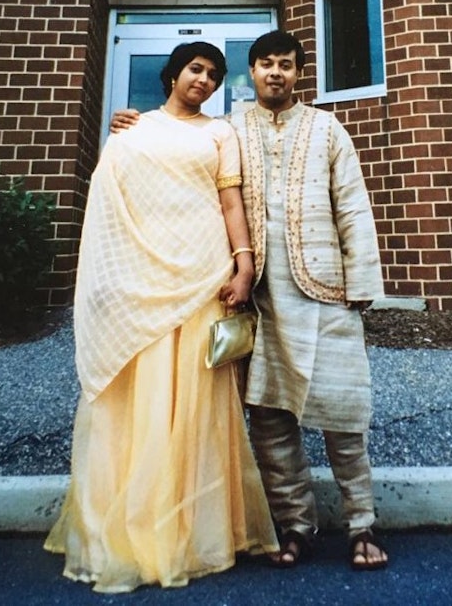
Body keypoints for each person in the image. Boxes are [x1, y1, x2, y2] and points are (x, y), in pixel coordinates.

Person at [110, 30, 388, 571]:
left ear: (299, 73)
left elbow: (352, 206)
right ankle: (297, 526)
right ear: (252, 72)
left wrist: (362, 285)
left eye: (286, 64)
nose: (275, 73)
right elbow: (178, 144)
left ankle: (362, 524)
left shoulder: (327, 128)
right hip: (258, 299)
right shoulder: (228, 128)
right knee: (269, 419)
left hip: (327, 291)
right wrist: (136, 122)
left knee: (345, 415)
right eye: (265, 64)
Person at [44, 41, 279, 593]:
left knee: (196, 403)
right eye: (196, 69)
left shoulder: (221, 133)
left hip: (203, 276)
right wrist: (110, 279)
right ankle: (129, 530)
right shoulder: (133, 129)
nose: (205, 80)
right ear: (173, 74)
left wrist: (244, 265)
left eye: (215, 75)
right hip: (141, 282)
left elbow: (230, 203)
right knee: (140, 398)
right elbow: (111, 202)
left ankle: (194, 531)